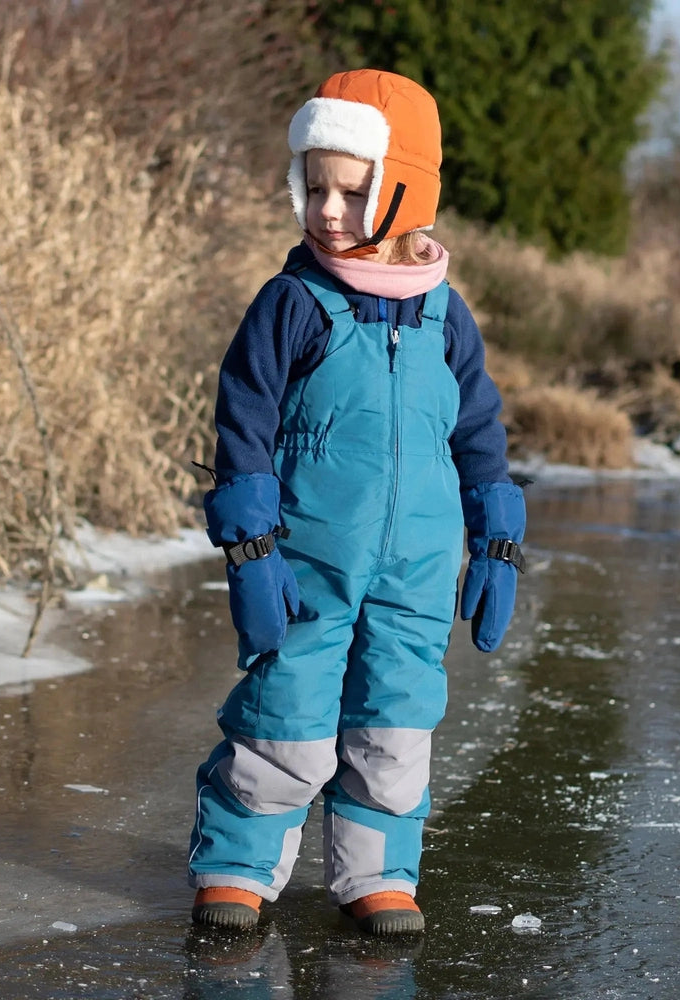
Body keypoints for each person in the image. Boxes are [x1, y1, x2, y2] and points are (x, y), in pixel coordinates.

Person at [188, 68, 526, 937]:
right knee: (287, 722)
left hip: (415, 567)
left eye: (353, 189)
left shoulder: (443, 315)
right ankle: (237, 864)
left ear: (404, 190)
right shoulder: (295, 302)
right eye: (314, 187)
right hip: (307, 562)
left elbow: (480, 431)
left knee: (396, 725)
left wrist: (495, 538)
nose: (327, 210)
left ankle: (377, 876)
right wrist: (252, 549)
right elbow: (244, 425)